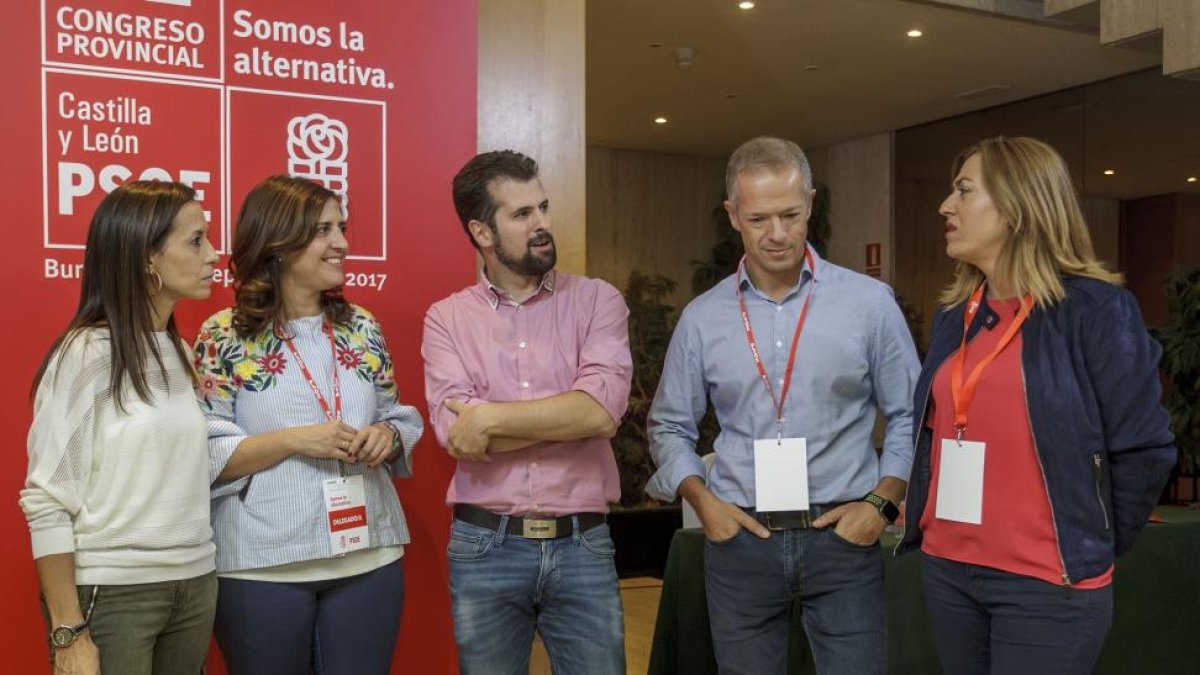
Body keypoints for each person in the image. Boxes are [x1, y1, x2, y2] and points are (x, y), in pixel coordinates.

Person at [895, 136, 1176, 675]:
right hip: (949, 567)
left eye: (963, 191)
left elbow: (1145, 450)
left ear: (1017, 205)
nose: (945, 206)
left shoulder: (1095, 310)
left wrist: (1089, 540)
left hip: (1047, 583)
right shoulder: (958, 313)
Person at [647, 136, 920, 675]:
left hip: (844, 537)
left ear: (812, 204)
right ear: (732, 215)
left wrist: (882, 504)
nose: (777, 234)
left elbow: (913, 413)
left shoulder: (869, 304)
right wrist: (705, 505)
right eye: (759, 219)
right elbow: (669, 426)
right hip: (741, 540)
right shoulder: (702, 318)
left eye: (791, 215)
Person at [194, 175, 423, 675]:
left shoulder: (361, 326)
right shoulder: (223, 336)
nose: (341, 242)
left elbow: (396, 413)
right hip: (260, 565)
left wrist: (387, 436)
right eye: (323, 230)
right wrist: (297, 439)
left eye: (341, 227)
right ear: (278, 243)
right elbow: (205, 452)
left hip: (369, 557)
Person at [422, 150, 633, 675]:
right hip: (484, 545)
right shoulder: (446, 319)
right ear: (482, 232)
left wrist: (489, 418)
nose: (542, 224)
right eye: (521, 214)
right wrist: (563, 414)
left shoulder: (598, 301)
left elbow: (600, 413)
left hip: (583, 542)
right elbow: (458, 435)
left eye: (542, 207)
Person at [21, 181, 220, 675]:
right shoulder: (86, 354)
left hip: (194, 586)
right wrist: (68, 632)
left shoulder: (179, 352)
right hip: (115, 595)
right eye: (196, 241)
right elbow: (47, 499)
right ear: (147, 259)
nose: (214, 255)